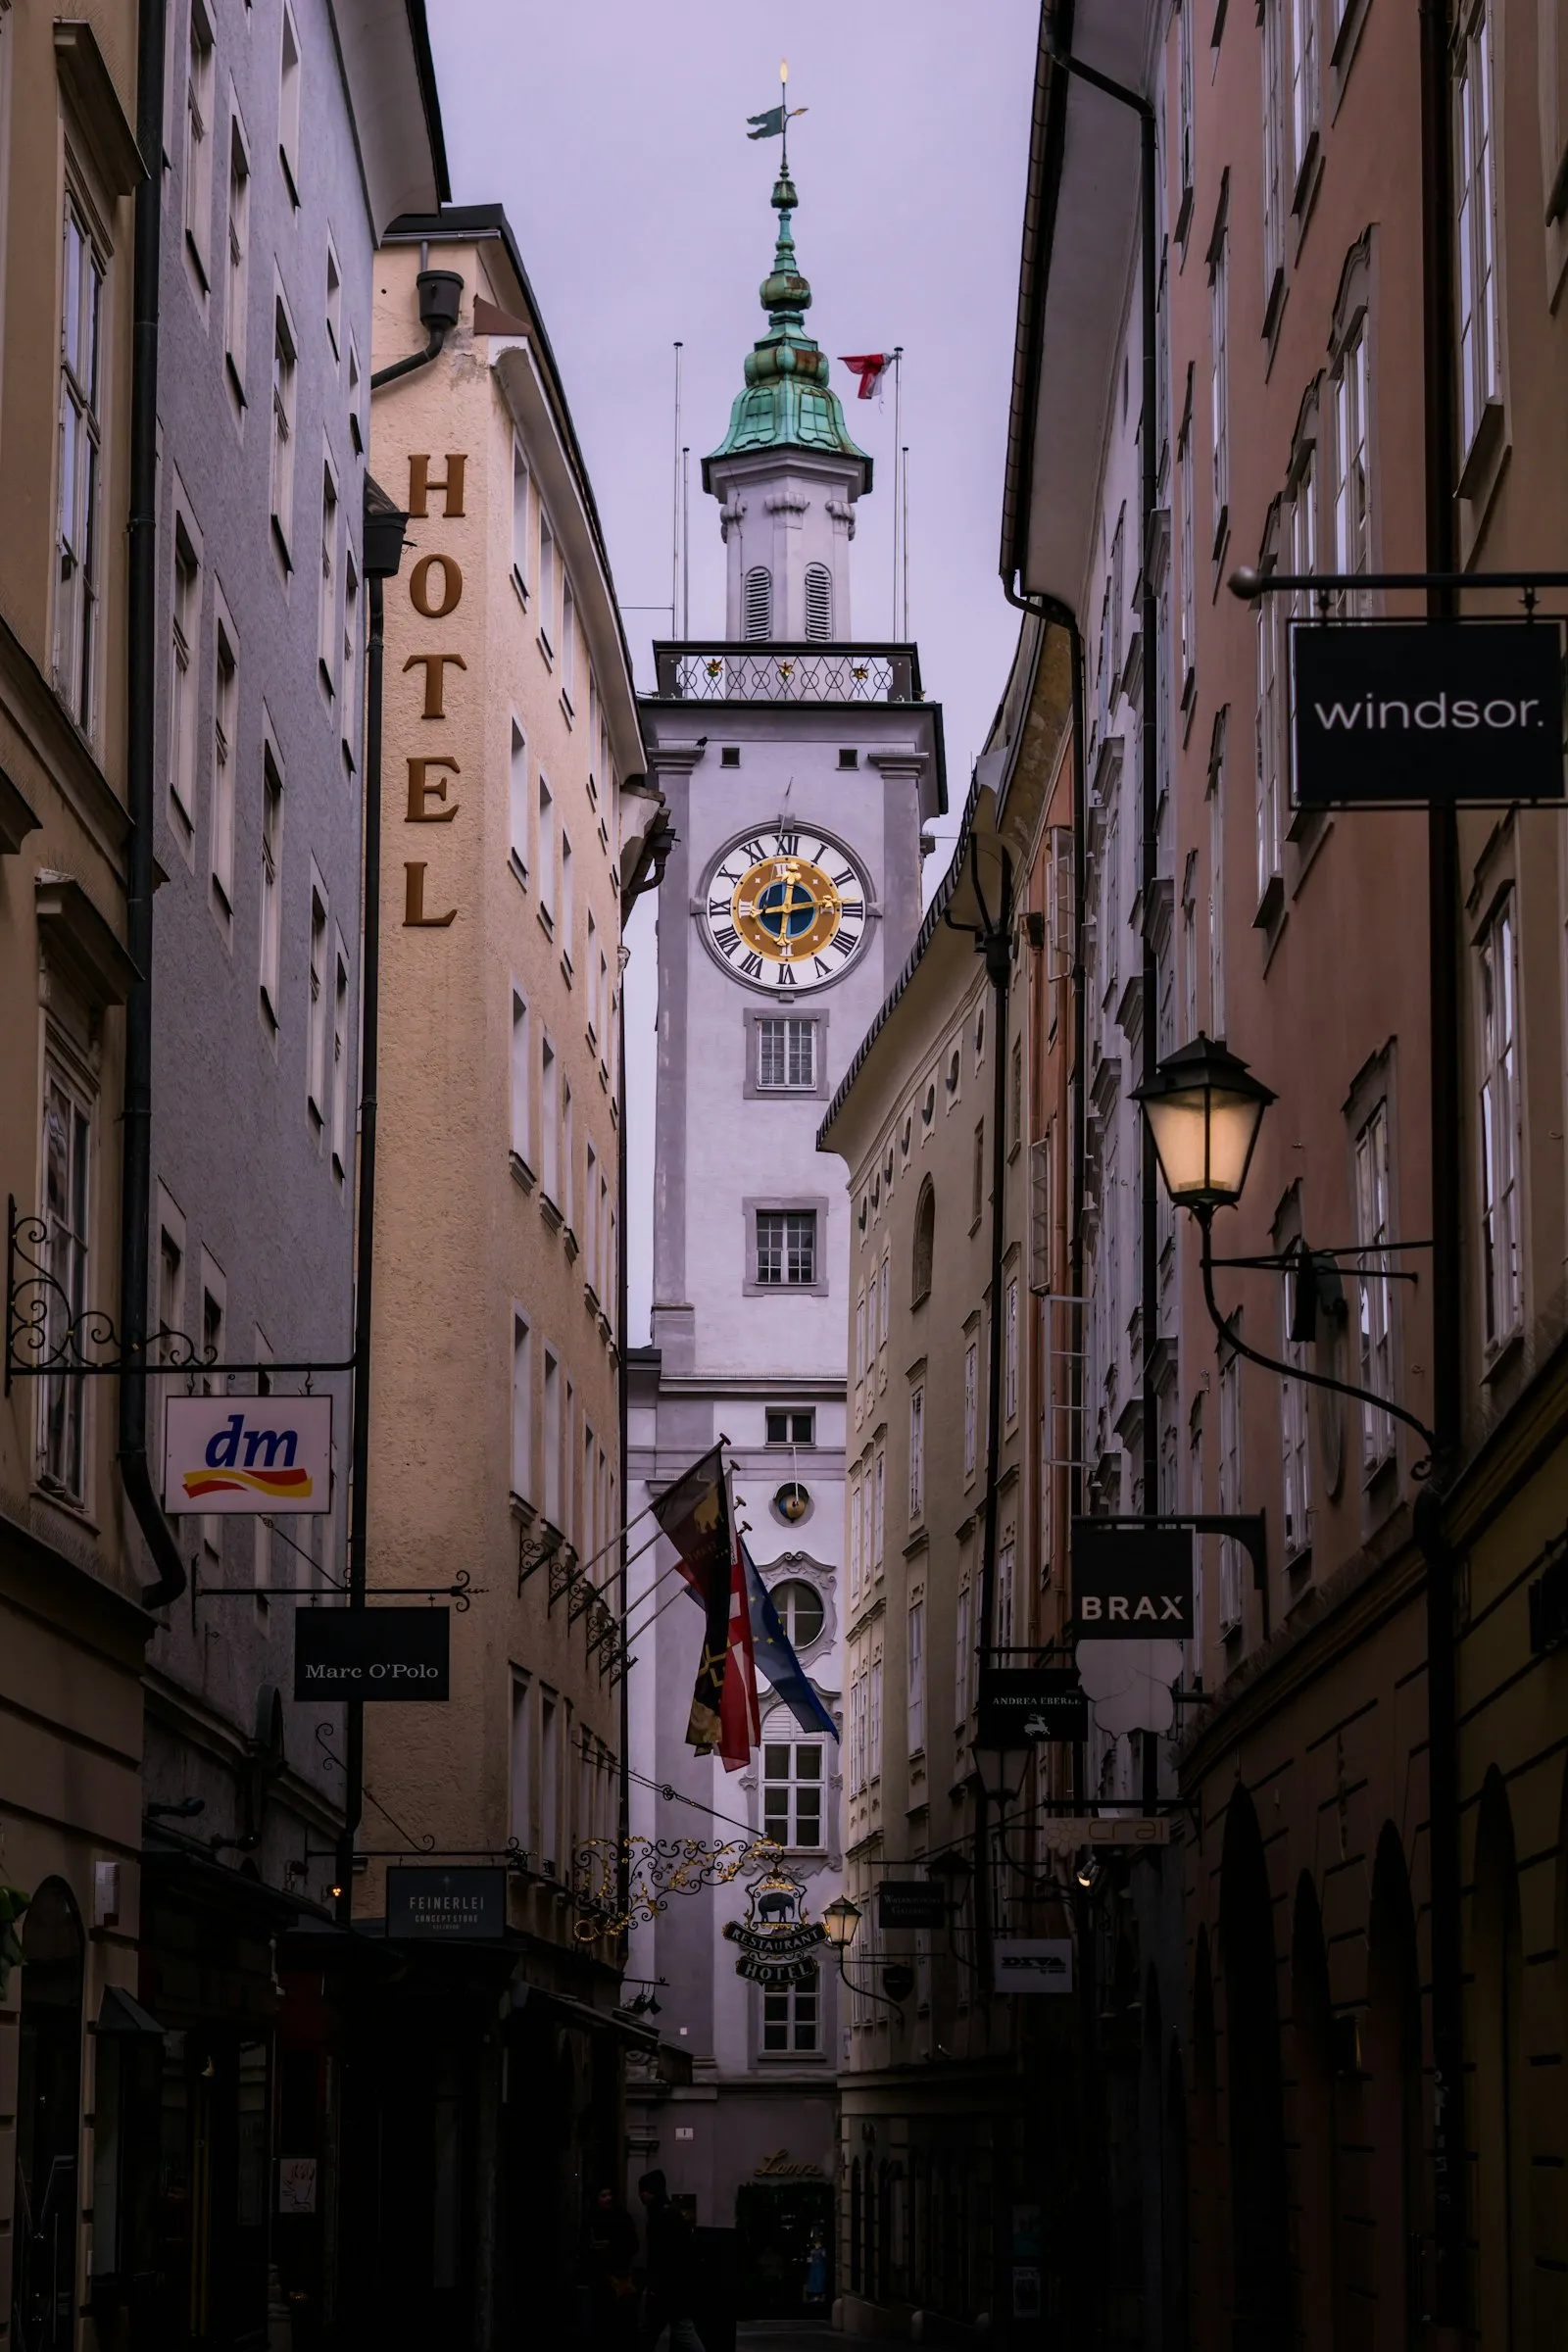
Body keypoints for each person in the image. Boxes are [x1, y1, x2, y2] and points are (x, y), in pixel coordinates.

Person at [637, 2170, 706, 2352]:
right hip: (675, 2288)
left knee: (658, 2330)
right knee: (680, 2330)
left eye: (643, 2191)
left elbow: (662, 2256)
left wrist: (655, 2285)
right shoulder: (670, 2214)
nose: (641, 2196)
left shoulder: (660, 2217)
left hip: (667, 2288)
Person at [587, 2185, 640, 2350]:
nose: (608, 2198)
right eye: (604, 2195)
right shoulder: (593, 2218)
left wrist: (613, 2247)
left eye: (610, 2195)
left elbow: (632, 2244)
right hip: (602, 2275)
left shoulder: (621, 2218)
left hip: (617, 2274)